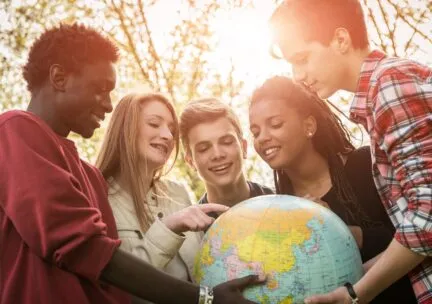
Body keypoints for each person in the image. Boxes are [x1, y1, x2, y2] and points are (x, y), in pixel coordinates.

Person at [0, 22, 264, 304]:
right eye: (100, 89)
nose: (108, 104)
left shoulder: (90, 176)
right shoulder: (15, 130)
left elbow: (109, 282)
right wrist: (205, 299)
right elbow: (86, 249)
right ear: (59, 77)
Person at [269, 1, 431, 303]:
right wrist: (346, 285)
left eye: (303, 59)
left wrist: (357, 294)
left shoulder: (389, 85)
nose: (297, 75)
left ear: (341, 40)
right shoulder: (379, 95)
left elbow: (427, 218)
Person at [249, 76, 416, 304]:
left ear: (309, 126)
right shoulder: (278, 209)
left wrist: (334, 228)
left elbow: (415, 235)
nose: (263, 138)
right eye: (255, 132)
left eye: (275, 124)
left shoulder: (367, 165)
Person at [95, 92, 227, 289]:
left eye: (172, 130)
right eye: (154, 124)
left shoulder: (178, 192)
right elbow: (119, 286)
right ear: (126, 128)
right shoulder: (98, 198)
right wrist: (169, 227)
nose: (167, 135)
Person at [179, 98, 273, 216]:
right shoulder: (192, 232)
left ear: (243, 147)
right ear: (190, 161)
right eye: (204, 148)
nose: (217, 155)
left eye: (227, 142)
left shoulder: (282, 205)